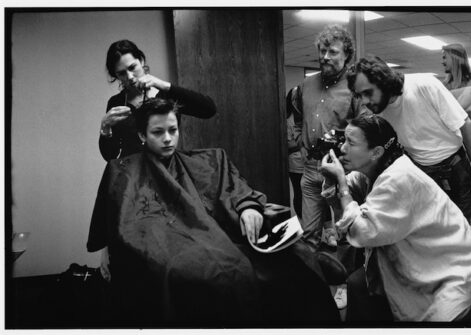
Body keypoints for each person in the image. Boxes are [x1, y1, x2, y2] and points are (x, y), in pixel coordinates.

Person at [88, 98, 339, 325]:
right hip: (167, 248)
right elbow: (117, 221)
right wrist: (107, 250)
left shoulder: (207, 161)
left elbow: (234, 188)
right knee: (203, 274)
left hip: (218, 236)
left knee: (296, 255)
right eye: (158, 132)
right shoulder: (123, 171)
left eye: (173, 130)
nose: (167, 139)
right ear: (142, 135)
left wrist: (248, 207)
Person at [319, 114, 471, 321]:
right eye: (344, 141)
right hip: (417, 259)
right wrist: (332, 180)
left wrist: (342, 183)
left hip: (447, 271)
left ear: (376, 152)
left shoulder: (399, 178)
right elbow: (343, 207)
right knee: (358, 284)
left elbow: (362, 232)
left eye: (351, 143)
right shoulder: (370, 172)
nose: (342, 148)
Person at [346, 57, 471, 221]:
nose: (364, 101)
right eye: (359, 95)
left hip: (454, 166)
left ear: (383, 82)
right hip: (420, 169)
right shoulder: (378, 111)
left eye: (368, 93)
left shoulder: (423, 84)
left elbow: (465, 124)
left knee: (460, 223)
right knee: (426, 225)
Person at [292, 25, 364, 247]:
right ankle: (314, 269)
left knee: (348, 232)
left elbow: (365, 128)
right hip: (310, 168)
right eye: (322, 51)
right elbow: (298, 118)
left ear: (346, 55)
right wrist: (301, 142)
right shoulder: (307, 84)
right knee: (309, 235)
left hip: (342, 169)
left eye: (332, 52)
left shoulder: (355, 86)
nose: (325, 57)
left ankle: (345, 270)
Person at [99, 39, 217, 161]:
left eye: (132, 67)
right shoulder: (116, 103)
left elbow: (209, 109)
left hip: (167, 167)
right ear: (116, 76)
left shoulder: (167, 94)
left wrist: (165, 85)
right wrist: (105, 128)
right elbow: (110, 156)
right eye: (122, 73)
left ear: (141, 61)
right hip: (133, 171)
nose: (130, 77)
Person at [286, 86, 304, 219]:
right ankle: (300, 222)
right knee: (299, 194)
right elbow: (287, 145)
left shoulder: (309, 115)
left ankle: (327, 228)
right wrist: (305, 142)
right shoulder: (287, 120)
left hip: (312, 162)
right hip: (296, 164)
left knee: (319, 194)